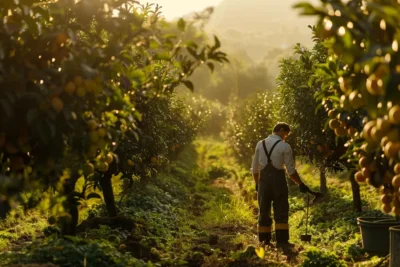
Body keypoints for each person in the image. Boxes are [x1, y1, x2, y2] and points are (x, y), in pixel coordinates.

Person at [251, 122, 312, 249]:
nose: (286, 137)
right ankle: (282, 242)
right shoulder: (285, 146)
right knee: (281, 210)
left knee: (263, 211)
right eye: (286, 134)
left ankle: (264, 241)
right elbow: (291, 171)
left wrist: (257, 184)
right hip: (278, 182)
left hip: (263, 183)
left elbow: (255, 169)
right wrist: (301, 184)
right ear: (281, 130)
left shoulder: (260, 144)